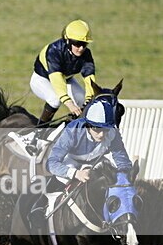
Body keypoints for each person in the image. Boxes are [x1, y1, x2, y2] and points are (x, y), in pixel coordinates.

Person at [28, 97, 133, 229]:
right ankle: (39, 207)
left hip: (96, 162)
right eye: (97, 129)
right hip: (72, 161)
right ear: (88, 125)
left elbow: (121, 158)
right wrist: (75, 173)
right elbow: (52, 163)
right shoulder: (73, 131)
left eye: (105, 130)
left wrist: (124, 175)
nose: (101, 135)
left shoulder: (112, 132)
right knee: (62, 179)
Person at [29, 19, 97, 123]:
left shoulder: (86, 54)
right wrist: (69, 103)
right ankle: (39, 132)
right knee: (55, 100)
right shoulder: (54, 51)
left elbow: (89, 79)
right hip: (42, 79)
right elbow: (57, 79)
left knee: (82, 100)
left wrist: (88, 99)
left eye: (84, 44)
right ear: (68, 40)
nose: (81, 48)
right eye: (77, 43)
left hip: (67, 80)